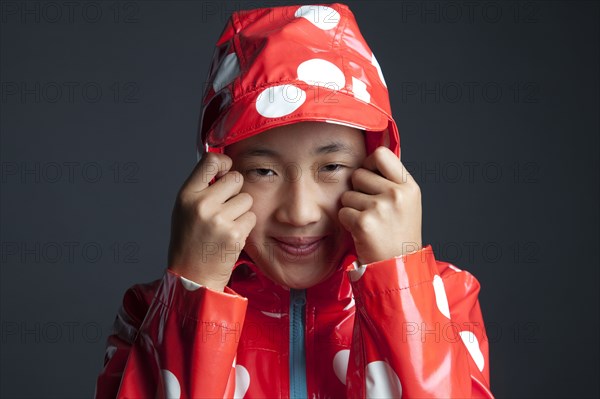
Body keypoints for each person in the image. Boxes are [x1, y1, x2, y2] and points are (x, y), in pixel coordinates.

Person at [95, 3, 494, 398]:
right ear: (214, 175)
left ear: (380, 168)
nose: (300, 213)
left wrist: (399, 286)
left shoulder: (445, 299)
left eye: (332, 167)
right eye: (263, 171)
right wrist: (192, 297)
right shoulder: (150, 313)